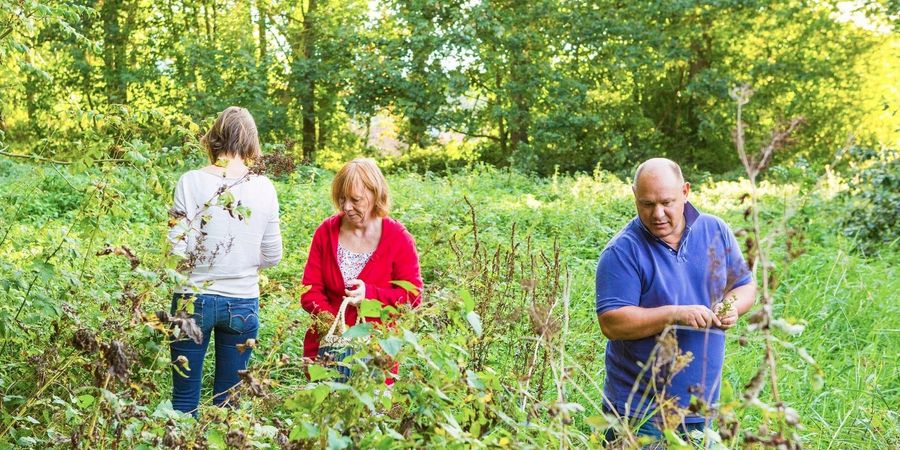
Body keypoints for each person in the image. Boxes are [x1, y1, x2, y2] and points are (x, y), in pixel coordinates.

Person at [595, 158, 756, 443]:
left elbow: (744, 286)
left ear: (685, 191)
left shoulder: (715, 231)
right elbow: (613, 323)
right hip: (638, 413)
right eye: (647, 204)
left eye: (666, 202)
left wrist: (730, 308)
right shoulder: (622, 251)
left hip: (700, 407)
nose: (657, 213)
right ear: (634, 195)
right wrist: (676, 314)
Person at [166, 106, 282, 415]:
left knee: (183, 402)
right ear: (252, 143)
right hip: (242, 303)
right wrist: (241, 260)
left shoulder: (189, 181)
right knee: (229, 406)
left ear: (213, 138)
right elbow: (273, 256)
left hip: (192, 300)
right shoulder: (265, 188)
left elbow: (176, 250)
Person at [300, 158, 422, 383]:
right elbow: (310, 291)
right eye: (342, 199)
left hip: (376, 354)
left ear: (376, 194)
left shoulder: (398, 238)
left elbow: (412, 296)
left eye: (355, 200)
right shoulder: (326, 233)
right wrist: (333, 325)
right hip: (328, 351)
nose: (346, 207)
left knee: (371, 414)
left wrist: (371, 296)